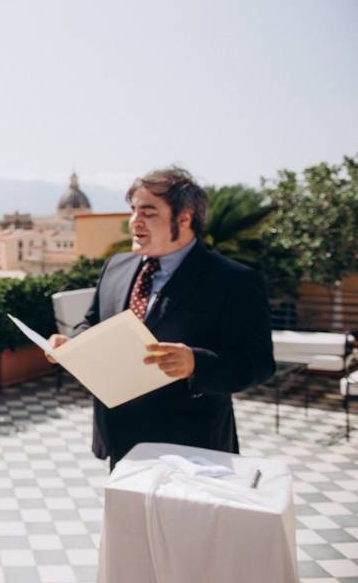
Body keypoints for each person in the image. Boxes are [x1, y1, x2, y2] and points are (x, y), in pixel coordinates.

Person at [49, 167, 275, 469]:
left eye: (149, 212)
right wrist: (72, 344)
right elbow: (91, 322)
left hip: (193, 448)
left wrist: (196, 363)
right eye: (133, 210)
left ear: (184, 218)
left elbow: (258, 363)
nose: (134, 222)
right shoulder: (115, 266)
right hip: (121, 440)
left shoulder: (234, 281)